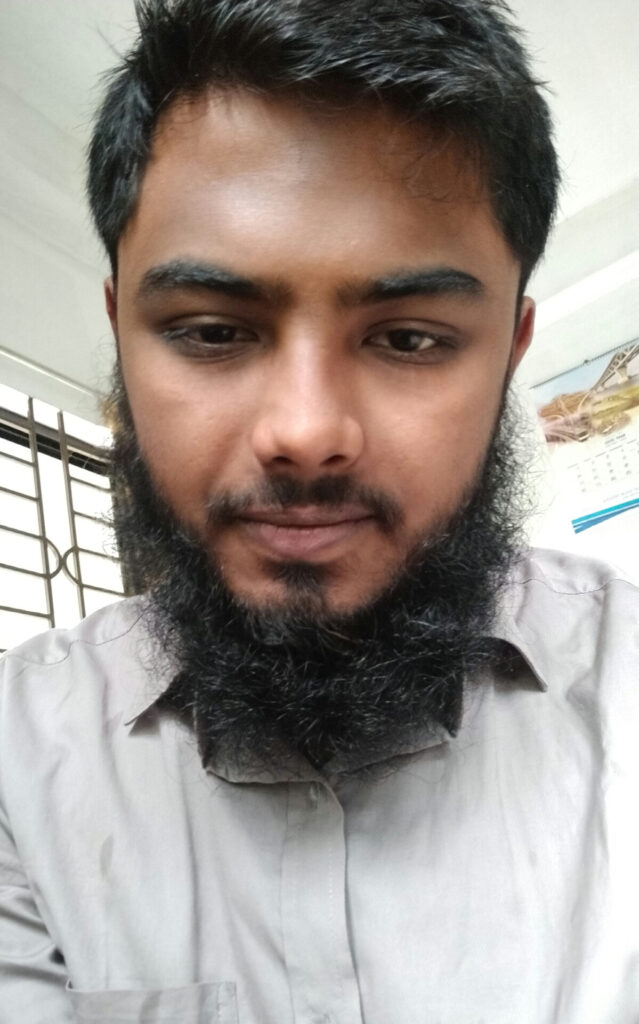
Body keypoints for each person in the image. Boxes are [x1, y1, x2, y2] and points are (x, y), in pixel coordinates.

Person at [1, 0, 638, 1020]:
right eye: (212, 331)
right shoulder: (14, 760)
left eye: (409, 338)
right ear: (120, 327)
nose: (304, 432)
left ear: (510, 349)